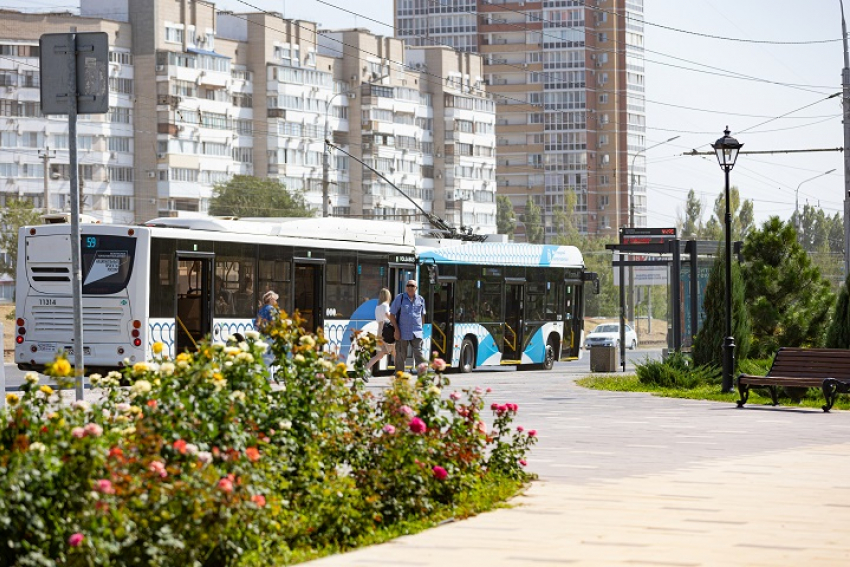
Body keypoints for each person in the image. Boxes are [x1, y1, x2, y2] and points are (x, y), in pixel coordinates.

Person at [389, 279, 427, 369]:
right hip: (402, 332)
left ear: (416, 288)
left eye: (412, 286)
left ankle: (422, 380)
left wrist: (421, 330)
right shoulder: (400, 298)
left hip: (416, 332)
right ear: (406, 287)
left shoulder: (421, 299)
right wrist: (396, 330)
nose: (410, 287)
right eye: (408, 285)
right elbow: (392, 315)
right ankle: (399, 379)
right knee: (401, 356)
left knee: (419, 355)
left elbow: (422, 316)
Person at [366, 288, 394, 373]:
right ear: (388, 296)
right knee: (395, 352)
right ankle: (400, 372)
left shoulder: (377, 307)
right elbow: (387, 315)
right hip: (387, 331)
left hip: (379, 332)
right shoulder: (385, 305)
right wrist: (395, 320)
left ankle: (366, 368)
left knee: (379, 355)